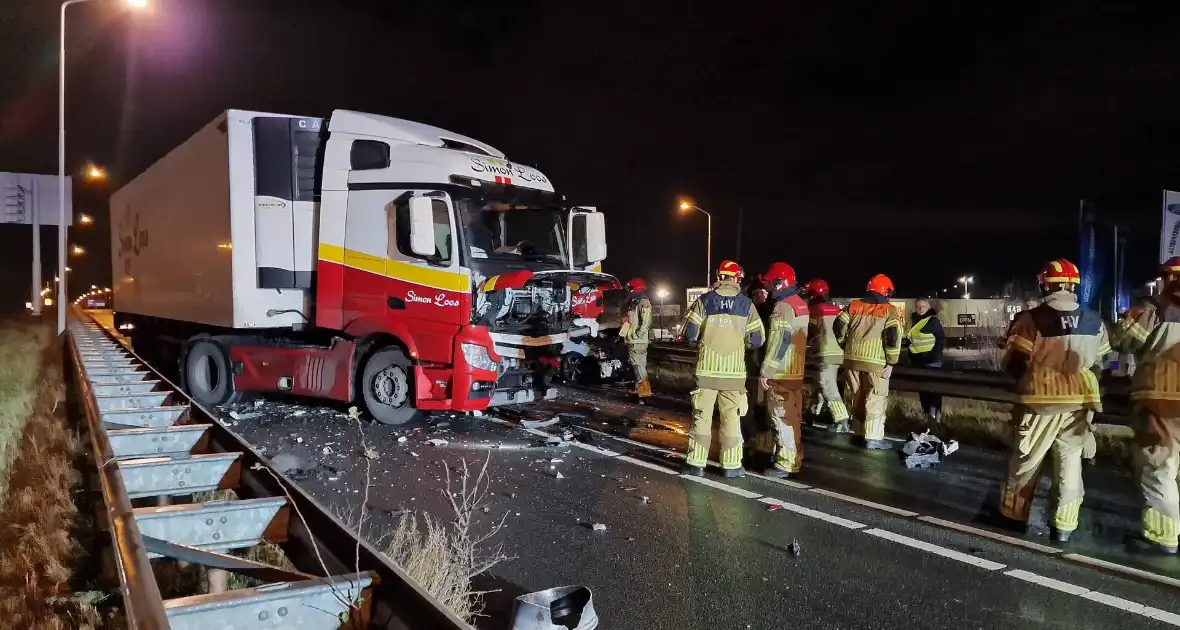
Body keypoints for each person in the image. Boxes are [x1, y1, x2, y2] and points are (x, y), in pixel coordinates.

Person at [998, 259, 1110, 542]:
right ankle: (1064, 526)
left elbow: (1013, 362)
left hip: (1041, 402)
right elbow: (1102, 362)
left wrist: (1028, 381)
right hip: (1080, 402)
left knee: (1026, 462)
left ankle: (1013, 518)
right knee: (1070, 465)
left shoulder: (1031, 319)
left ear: (1045, 284)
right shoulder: (1094, 319)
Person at [1116, 257, 1180, 554]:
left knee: (1158, 468)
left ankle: (1161, 537)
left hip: (1162, 400)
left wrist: (1128, 317)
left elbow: (1124, 341)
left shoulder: (1154, 310)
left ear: (1168, 278)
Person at [681, 260, 765, 477]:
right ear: (737, 279)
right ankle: (731, 466)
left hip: (706, 374)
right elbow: (757, 339)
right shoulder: (747, 305)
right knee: (731, 419)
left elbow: (689, 334)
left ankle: (696, 464)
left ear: (719, 277)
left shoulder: (704, 301)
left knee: (702, 417)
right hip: (734, 376)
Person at [833, 274, 903, 449]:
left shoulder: (854, 306)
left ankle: (858, 432)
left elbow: (838, 326)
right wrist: (891, 362)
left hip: (852, 359)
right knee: (876, 397)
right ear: (886, 291)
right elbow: (893, 338)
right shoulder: (889, 310)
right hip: (876, 361)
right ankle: (873, 437)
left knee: (858, 396)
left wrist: (845, 344)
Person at [757, 262, 810, 478]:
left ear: (780, 283)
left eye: (770, 284)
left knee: (781, 417)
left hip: (780, 372)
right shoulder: (800, 304)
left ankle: (785, 463)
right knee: (793, 417)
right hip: (795, 371)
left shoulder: (782, 307)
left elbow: (780, 341)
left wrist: (766, 371)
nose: (769, 289)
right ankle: (793, 458)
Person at [803, 279, 851, 431]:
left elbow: (807, 332)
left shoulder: (813, 310)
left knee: (827, 386)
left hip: (824, 354)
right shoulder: (836, 309)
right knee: (818, 383)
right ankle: (809, 413)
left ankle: (841, 420)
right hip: (839, 353)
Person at [906, 299, 946, 424]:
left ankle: (934, 417)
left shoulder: (933, 321)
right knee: (923, 390)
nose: (921, 308)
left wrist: (932, 356)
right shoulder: (915, 322)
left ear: (928, 308)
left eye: (923, 306)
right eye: (918, 307)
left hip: (932, 362)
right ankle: (926, 415)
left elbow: (940, 341)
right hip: (918, 363)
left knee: (933, 390)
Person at [619, 278, 653, 404]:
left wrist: (637, 335)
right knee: (636, 367)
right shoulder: (634, 302)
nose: (628, 291)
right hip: (632, 341)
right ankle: (640, 391)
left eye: (630, 288)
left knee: (639, 368)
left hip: (637, 342)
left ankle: (644, 395)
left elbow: (646, 322)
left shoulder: (643, 302)